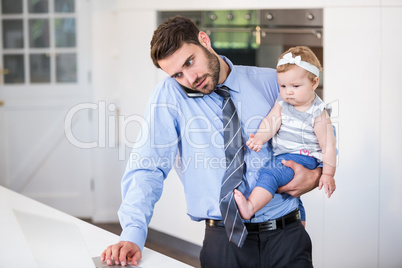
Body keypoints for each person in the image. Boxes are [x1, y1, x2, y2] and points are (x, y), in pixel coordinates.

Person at [101, 16, 323, 267]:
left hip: (287, 236)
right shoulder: (170, 96)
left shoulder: (271, 82)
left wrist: (316, 173)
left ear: (204, 40)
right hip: (224, 241)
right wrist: (132, 233)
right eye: (177, 74)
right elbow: (147, 166)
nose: (190, 79)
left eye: (190, 62)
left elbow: (317, 131)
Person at [234, 46, 336, 221]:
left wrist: (327, 174)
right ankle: (300, 223)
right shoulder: (283, 102)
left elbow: (328, 147)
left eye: (295, 86)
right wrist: (260, 137)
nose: (288, 91)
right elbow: (272, 121)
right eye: (283, 86)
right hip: (284, 154)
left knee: (270, 173)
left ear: (314, 83)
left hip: (304, 158)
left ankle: (250, 207)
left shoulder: (317, 112)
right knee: (292, 197)